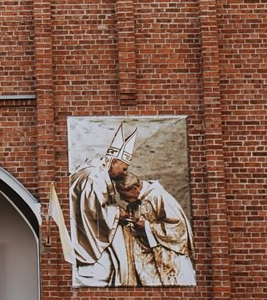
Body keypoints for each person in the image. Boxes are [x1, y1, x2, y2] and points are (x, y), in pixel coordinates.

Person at [69, 122, 195, 288]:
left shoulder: (157, 196)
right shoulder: (95, 179)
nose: (125, 172)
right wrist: (117, 214)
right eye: (124, 168)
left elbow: (178, 228)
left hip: (171, 261)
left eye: (124, 195)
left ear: (135, 189)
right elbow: (92, 212)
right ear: (114, 162)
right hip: (88, 240)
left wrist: (147, 226)